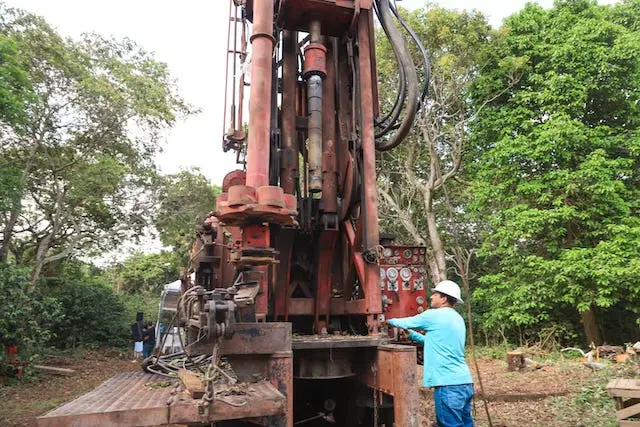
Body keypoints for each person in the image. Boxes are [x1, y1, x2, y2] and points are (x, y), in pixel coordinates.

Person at [387, 280, 474, 427]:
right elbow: (438, 343)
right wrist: (413, 336)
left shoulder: (434, 315)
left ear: (444, 298)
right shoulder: (457, 318)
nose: (431, 296)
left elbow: (407, 322)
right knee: (466, 424)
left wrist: (387, 319)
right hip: (465, 383)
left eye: (435, 294)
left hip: (447, 385)